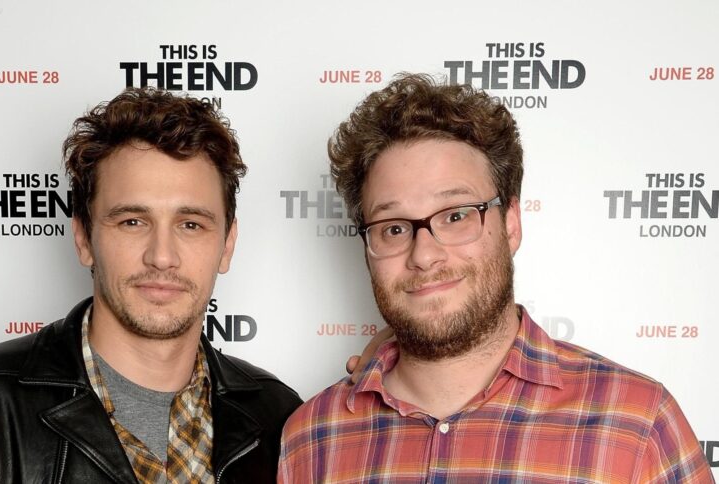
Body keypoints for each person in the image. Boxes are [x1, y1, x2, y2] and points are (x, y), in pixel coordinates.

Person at [278, 74, 714, 483]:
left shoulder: (636, 424)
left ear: (511, 224)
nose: (424, 255)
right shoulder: (311, 439)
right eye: (393, 228)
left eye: (456, 216)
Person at [0, 88, 303, 483]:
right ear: (84, 238)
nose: (162, 256)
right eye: (132, 222)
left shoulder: (280, 417)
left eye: (191, 224)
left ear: (227, 245)